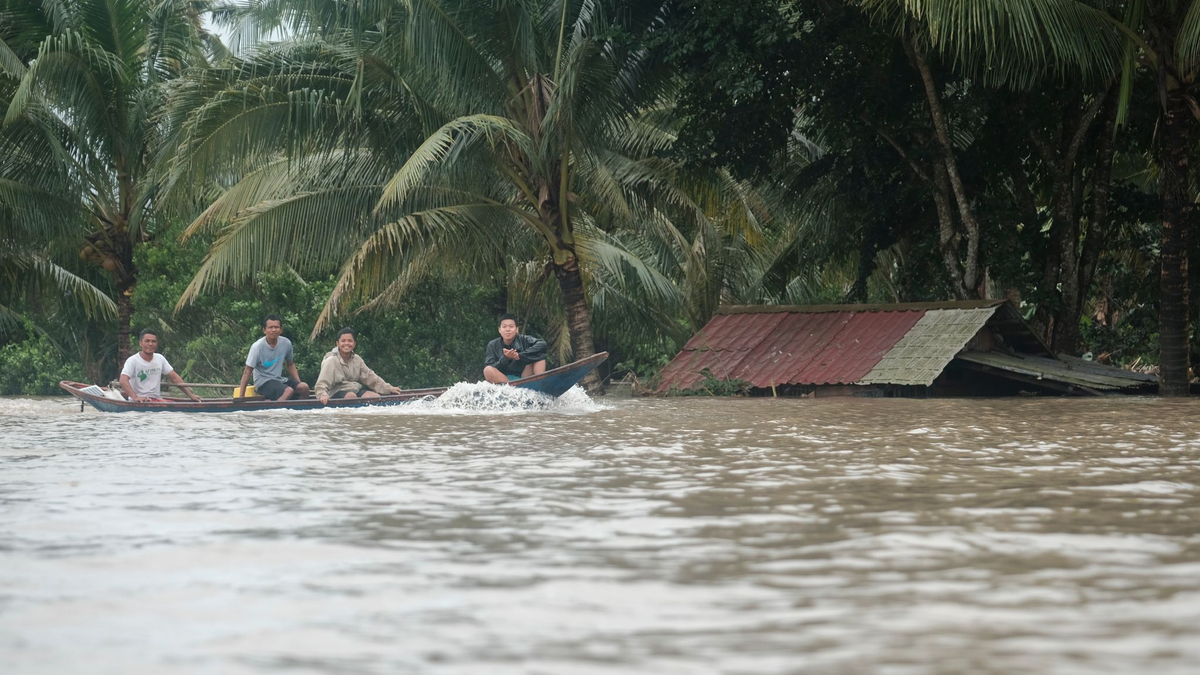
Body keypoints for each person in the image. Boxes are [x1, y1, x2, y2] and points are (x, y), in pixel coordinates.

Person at [314, 328, 402, 404]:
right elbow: (322, 382)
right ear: (337, 343)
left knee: (375, 397)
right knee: (351, 396)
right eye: (343, 341)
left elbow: (370, 376)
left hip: (354, 388)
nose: (347, 343)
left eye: (350, 341)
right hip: (335, 391)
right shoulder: (331, 360)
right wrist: (322, 394)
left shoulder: (357, 359)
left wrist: (389, 388)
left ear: (354, 343)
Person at [237, 314, 310, 401]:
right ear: (264, 330)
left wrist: (298, 382)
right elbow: (247, 371)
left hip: (279, 380)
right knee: (288, 391)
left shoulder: (286, 343)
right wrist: (241, 396)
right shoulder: (257, 347)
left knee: (304, 387)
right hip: (263, 382)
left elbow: (290, 364)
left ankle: (298, 408)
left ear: (281, 330)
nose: (274, 330)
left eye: (276, 327)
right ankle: (276, 408)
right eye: (270, 327)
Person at [119, 329, 201, 402]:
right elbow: (123, 380)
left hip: (156, 400)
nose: (150, 344)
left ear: (157, 343)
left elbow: (174, 378)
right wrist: (135, 397)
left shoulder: (160, 358)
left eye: (153, 341)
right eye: (147, 341)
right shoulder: (133, 361)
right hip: (139, 402)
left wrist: (191, 395)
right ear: (140, 343)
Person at [483, 313, 547, 384]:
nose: (507, 329)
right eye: (504, 327)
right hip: (504, 380)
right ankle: (513, 387)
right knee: (487, 370)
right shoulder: (492, 344)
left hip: (525, 377)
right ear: (499, 330)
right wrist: (505, 358)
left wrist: (520, 355)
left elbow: (542, 344)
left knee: (539, 355)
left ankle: (540, 383)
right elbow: (491, 366)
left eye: (511, 326)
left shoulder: (524, 339)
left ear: (517, 329)